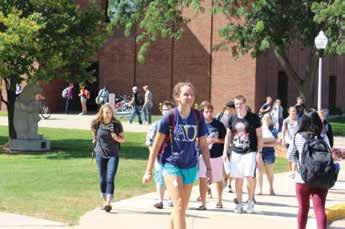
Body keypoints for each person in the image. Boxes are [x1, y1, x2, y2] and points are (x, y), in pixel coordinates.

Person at [143, 82, 212, 229]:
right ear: (177, 97)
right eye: (186, 94)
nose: (189, 97)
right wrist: (149, 170)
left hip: (190, 165)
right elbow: (156, 145)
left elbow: (204, 145)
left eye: (191, 94)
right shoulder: (169, 117)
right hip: (171, 165)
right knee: (179, 205)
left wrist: (209, 168)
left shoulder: (198, 117)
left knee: (180, 209)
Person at [287, 109, 330, 229]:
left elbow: (289, 155)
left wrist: (299, 161)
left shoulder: (298, 136)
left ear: (303, 122)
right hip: (321, 177)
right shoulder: (323, 136)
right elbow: (329, 153)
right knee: (320, 209)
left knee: (303, 208)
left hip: (302, 177)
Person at [223, 95, 263, 214]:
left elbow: (260, 136)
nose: (238, 106)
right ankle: (239, 203)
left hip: (250, 151)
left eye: (240, 104)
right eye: (236, 104)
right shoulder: (232, 118)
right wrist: (225, 151)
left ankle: (250, 201)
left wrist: (259, 152)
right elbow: (228, 135)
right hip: (236, 151)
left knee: (249, 177)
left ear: (245, 104)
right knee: (238, 179)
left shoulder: (254, 118)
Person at [91, 103, 125, 213]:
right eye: (106, 112)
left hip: (113, 154)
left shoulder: (116, 124)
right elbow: (94, 135)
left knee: (110, 178)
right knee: (102, 178)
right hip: (100, 154)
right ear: (102, 112)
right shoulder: (96, 123)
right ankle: (104, 200)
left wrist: (117, 138)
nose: (108, 115)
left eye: (110, 113)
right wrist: (94, 140)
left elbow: (123, 139)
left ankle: (108, 203)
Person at [145, 100, 175, 209]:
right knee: (160, 177)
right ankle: (160, 200)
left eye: (169, 110)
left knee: (172, 178)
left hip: (173, 158)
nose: (166, 112)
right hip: (159, 157)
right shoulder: (156, 125)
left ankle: (171, 198)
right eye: (165, 110)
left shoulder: (176, 125)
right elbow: (149, 142)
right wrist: (154, 157)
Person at [197, 103, 226, 210]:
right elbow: (194, 139)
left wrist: (215, 140)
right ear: (202, 112)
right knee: (202, 179)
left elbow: (225, 140)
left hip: (216, 156)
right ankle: (203, 203)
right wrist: (203, 141)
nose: (209, 114)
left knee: (218, 179)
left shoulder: (219, 125)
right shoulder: (199, 124)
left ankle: (219, 200)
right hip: (203, 157)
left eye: (210, 111)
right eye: (206, 112)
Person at [257, 113, 280, 195]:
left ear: (271, 120)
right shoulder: (259, 129)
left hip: (269, 152)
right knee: (259, 171)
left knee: (269, 172)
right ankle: (260, 189)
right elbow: (257, 142)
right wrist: (269, 143)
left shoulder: (273, 130)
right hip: (259, 152)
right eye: (265, 118)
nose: (266, 119)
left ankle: (271, 187)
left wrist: (263, 143)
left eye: (268, 118)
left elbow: (277, 142)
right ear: (262, 119)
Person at [216, 100, 236, 193]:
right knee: (223, 163)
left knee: (231, 163)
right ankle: (225, 180)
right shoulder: (220, 116)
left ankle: (229, 184)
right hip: (222, 143)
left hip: (232, 144)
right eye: (234, 108)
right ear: (230, 108)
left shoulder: (234, 117)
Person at [282, 106, 300, 178]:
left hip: (296, 141)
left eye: (295, 111)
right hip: (288, 141)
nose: (293, 112)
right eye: (292, 111)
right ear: (289, 112)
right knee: (289, 156)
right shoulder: (286, 121)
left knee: (295, 156)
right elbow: (283, 131)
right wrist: (283, 140)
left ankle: (293, 171)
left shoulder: (298, 120)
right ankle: (290, 170)